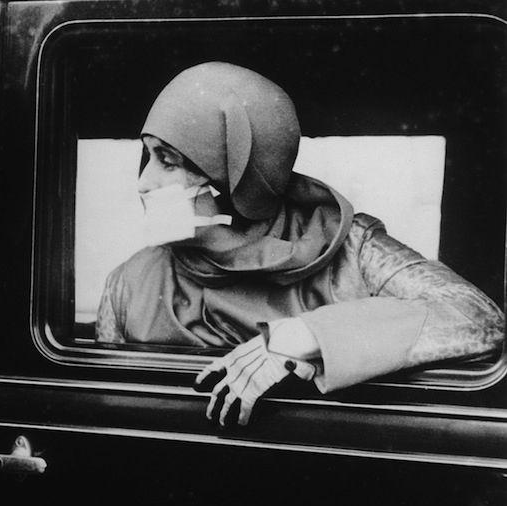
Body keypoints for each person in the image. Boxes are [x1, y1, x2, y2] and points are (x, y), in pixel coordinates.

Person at [96, 62, 504, 425]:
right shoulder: (129, 285)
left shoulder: (353, 251)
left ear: (231, 178)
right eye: (148, 157)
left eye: (167, 160)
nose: (144, 182)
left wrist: (307, 337)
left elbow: (480, 320)